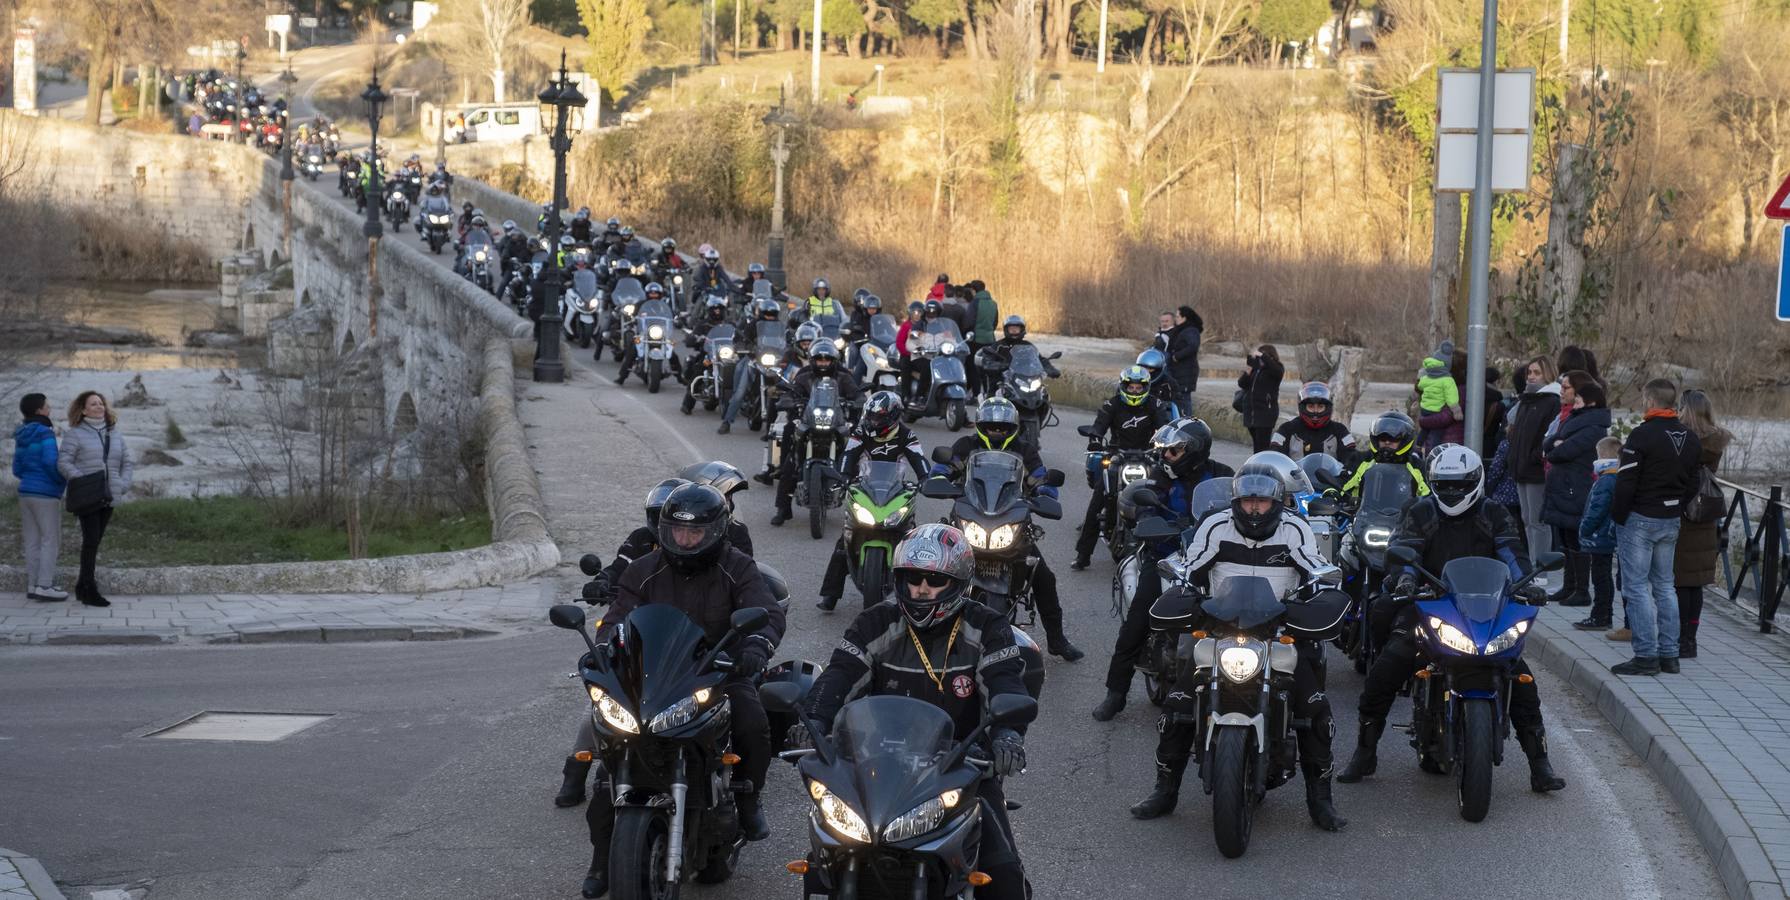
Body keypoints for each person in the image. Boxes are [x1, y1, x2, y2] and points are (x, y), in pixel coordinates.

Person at [796, 524, 1033, 900]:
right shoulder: (876, 621)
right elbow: (840, 675)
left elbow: (1006, 683)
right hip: (876, 769)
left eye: (934, 579)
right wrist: (814, 720)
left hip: (961, 769)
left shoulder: (987, 626)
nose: (921, 588)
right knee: (822, 863)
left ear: (957, 583)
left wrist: (1007, 735)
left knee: (1004, 878)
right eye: (912, 578)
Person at [582, 483, 785, 898]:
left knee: (751, 719)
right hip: (654, 676)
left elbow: (764, 612)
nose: (685, 539)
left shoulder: (737, 567)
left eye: (694, 533)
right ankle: (603, 861)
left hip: (717, 669)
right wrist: (600, 651)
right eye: (676, 531)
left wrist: (755, 648)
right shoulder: (644, 570)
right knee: (612, 759)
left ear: (715, 531)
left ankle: (748, 797)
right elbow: (617, 616)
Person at [1127, 465, 1347, 831]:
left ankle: (1320, 801)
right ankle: (1164, 790)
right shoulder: (1215, 525)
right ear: (1236, 502)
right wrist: (1179, 579)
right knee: (1178, 703)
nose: (1254, 509)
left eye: (1261, 501)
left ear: (1275, 502)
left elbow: (1315, 566)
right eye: (1247, 501)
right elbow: (1190, 565)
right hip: (1221, 628)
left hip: (1279, 629)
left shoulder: (1295, 527)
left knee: (1315, 710)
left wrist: (1325, 583)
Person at [1337, 445, 1566, 794]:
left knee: (1520, 678)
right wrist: (1405, 578)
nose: (1453, 492)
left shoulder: (1495, 512)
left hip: (1484, 610)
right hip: (1430, 603)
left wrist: (1527, 584)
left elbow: (1511, 551)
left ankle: (1539, 764)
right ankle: (1365, 751)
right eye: (1445, 484)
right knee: (1387, 667)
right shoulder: (1419, 510)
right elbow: (1405, 549)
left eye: (1461, 485)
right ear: (1433, 482)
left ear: (1476, 481)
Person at [1092, 418, 1235, 720]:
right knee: (1139, 617)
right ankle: (1115, 693)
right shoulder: (1161, 476)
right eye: (1165, 451)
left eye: (1173, 451)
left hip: (1214, 558)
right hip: (1167, 556)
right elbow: (1146, 507)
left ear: (1194, 450)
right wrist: (1150, 522)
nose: (1165, 457)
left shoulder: (1223, 474)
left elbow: (1239, 505)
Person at [931, 397, 1082, 660]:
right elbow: (945, 466)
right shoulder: (966, 445)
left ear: (1012, 428)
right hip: (971, 517)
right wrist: (939, 478)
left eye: (1002, 427)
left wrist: (1045, 491)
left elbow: (1040, 476)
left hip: (1010, 520)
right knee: (935, 564)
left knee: (1043, 576)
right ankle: (927, 628)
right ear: (981, 425)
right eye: (991, 426)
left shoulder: (1025, 450)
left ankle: (1057, 640)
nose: (996, 431)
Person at [1609, 379, 1701, 676]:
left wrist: (1618, 516)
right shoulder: (1690, 437)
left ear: (1649, 400)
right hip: (1670, 518)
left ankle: (1646, 655)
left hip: (1640, 518)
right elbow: (1694, 481)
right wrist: (1676, 505)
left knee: (1636, 588)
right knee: (1665, 586)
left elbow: (1625, 482)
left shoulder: (1641, 435)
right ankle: (1670, 655)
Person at [815, 392, 928, 611]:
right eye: (871, 416)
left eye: (879, 417)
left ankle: (918, 598)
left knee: (912, 541)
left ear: (893, 416)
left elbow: (919, 460)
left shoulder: (907, 435)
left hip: (896, 492)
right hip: (865, 488)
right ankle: (830, 595)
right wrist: (844, 475)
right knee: (844, 542)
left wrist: (926, 479)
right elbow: (848, 455)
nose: (873, 421)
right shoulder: (861, 431)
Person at [1072, 366, 1174, 570]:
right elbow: (1099, 426)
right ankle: (1083, 555)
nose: (1135, 391)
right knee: (1097, 501)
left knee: (1165, 495)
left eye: (1139, 387)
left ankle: (1171, 549)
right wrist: (1095, 440)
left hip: (1147, 456)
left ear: (1146, 387)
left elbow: (1166, 428)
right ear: (1124, 386)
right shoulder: (1112, 404)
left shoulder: (1155, 404)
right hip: (1117, 455)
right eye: (1131, 387)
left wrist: (1166, 445)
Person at [771, 342, 863, 526]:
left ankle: (861, 508)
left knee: (856, 454)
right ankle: (783, 508)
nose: (823, 362)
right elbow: (792, 393)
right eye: (819, 359)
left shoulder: (844, 376)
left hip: (836, 423)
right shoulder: (804, 375)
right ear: (813, 360)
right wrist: (788, 401)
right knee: (791, 458)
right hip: (808, 422)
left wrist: (858, 402)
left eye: (827, 359)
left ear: (834, 360)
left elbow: (858, 394)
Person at [1539, 371, 1609, 608]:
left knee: (1576, 538)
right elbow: (1550, 442)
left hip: (1575, 487)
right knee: (1567, 538)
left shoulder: (1594, 427)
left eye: (1578, 401)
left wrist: (1556, 447)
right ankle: (1569, 586)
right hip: (1564, 485)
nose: (1574, 404)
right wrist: (1555, 445)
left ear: (1590, 402)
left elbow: (1562, 451)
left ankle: (1581, 590)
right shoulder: (1574, 420)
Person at [57, 391, 132, 608]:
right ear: (83, 410)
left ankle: (82, 586)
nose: (99, 406)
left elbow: (127, 462)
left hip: (110, 495)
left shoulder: (115, 434)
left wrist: (122, 484)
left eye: (101, 403)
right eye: (94, 404)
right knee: (90, 542)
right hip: (88, 495)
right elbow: (64, 463)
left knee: (94, 542)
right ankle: (89, 589)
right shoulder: (75, 434)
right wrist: (83, 481)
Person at [1672, 390, 1730, 660]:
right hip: (1706, 513)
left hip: (1684, 513)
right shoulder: (1715, 441)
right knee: (1695, 584)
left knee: (1681, 581)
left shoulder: (1684, 441)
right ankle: (1690, 639)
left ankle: (1681, 639)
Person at [1508, 355, 1561, 570]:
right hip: (1520, 466)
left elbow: (1550, 435)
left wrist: (1535, 456)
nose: (1531, 377)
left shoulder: (1551, 401)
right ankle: (1532, 564)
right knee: (1527, 519)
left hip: (1536, 469)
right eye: (1529, 372)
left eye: (1537, 373)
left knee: (1538, 521)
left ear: (1548, 374)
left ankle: (1541, 568)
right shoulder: (1526, 401)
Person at [15, 394, 68, 602]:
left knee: (32, 541)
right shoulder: (45, 432)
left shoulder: (21, 433)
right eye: (47, 405)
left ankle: (32, 584)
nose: (50, 408)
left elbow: (17, 468)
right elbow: (50, 461)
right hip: (45, 494)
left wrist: (29, 479)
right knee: (50, 540)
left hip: (25, 492)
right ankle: (45, 586)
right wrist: (59, 482)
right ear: (39, 410)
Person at [1572, 436, 1624, 633]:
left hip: (1599, 537)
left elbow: (1597, 509)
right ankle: (1604, 614)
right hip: (1606, 536)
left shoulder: (1606, 480)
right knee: (1604, 577)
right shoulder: (1615, 478)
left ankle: (1601, 615)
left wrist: (1584, 529)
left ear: (1602, 456)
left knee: (1601, 577)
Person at [1339, 412, 1429, 499]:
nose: (1387, 442)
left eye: (1393, 438)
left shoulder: (1418, 467)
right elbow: (1341, 485)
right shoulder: (1361, 460)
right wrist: (1332, 494)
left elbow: (1430, 497)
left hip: (1407, 514)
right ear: (1376, 438)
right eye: (1382, 437)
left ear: (1405, 440)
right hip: (1362, 513)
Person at [1271, 382, 1356, 462]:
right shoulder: (1286, 429)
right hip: (1295, 477)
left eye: (1320, 406)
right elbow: (1275, 456)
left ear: (1328, 408)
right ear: (1303, 407)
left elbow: (1351, 457)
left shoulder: (1340, 431)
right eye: (1311, 406)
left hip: (1331, 477)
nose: (1315, 411)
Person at [1413, 340, 1463, 450]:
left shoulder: (1427, 378)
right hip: (1437, 413)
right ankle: (1429, 450)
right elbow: (1452, 399)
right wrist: (1456, 410)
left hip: (1426, 410)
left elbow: (1420, 385)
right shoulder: (1448, 381)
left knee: (1427, 430)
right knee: (1436, 432)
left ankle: (1418, 446)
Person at [1237, 344, 1284, 452]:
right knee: (1256, 447)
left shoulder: (1276, 368)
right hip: (1252, 414)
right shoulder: (1256, 369)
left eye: (1263, 356)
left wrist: (1263, 356)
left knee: (1263, 447)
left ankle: (1263, 467)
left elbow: (1278, 372)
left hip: (1266, 413)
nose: (1260, 359)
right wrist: (1248, 371)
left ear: (1270, 356)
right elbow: (1242, 384)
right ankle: (1256, 466)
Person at [1158, 306, 1202, 413]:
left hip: (1186, 371)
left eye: (1177, 316)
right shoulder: (1181, 330)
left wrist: (1176, 356)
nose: (1175, 318)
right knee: (1177, 398)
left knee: (1184, 399)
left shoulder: (1191, 330)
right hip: (1178, 371)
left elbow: (1193, 346)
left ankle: (1187, 422)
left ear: (1184, 318)